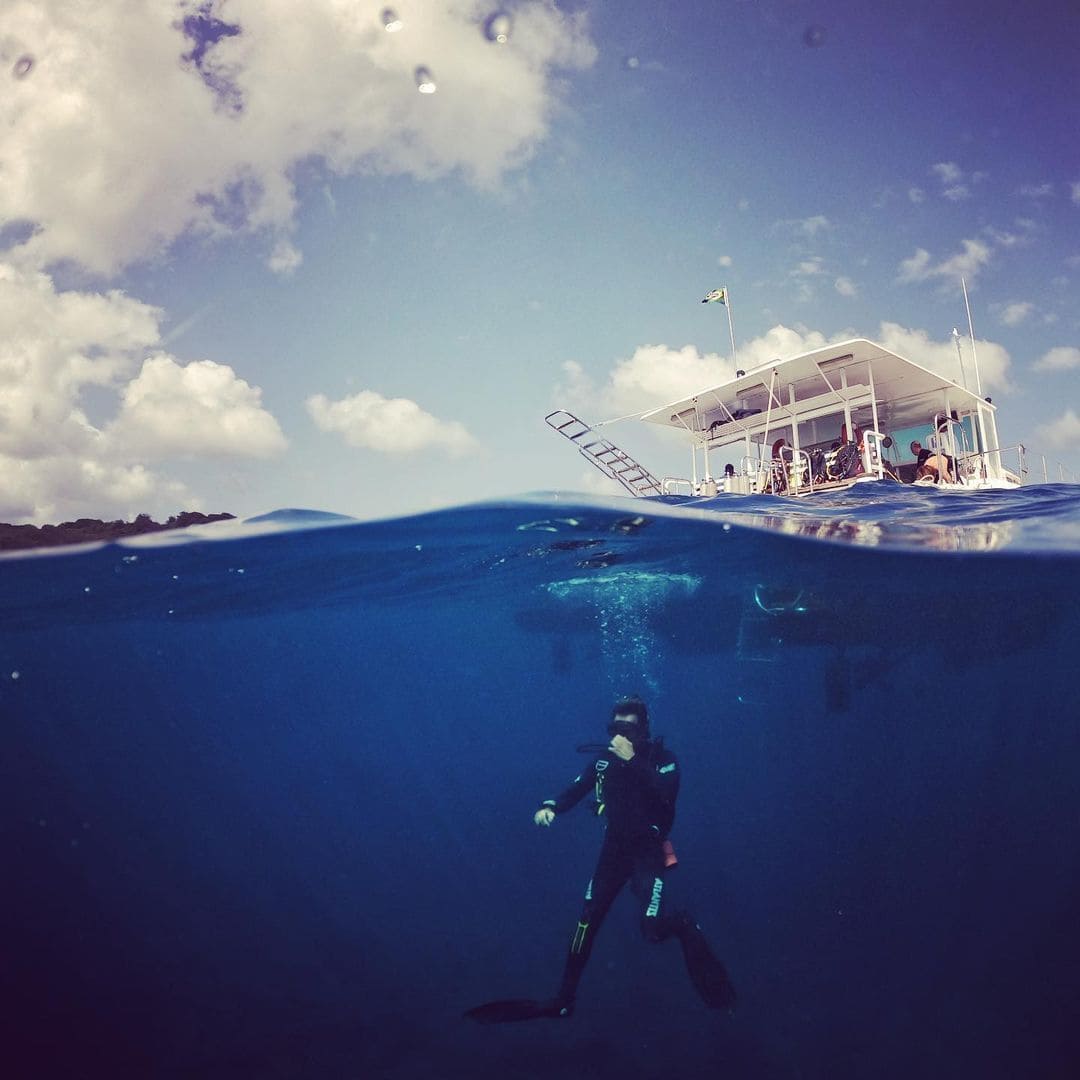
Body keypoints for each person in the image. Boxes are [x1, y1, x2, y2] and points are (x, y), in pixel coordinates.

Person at [466, 698, 736, 1023]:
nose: (621, 735)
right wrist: (550, 806)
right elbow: (577, 788)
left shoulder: (664, 760)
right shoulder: (604, 763)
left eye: (629, 728)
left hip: (648, 853)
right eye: (616, 728)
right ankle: (564, 998)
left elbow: (667, 793)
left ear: (643, 730)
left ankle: (682, 924)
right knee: (586, 921)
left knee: (651, 930)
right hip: (614, 851)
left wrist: (633, 759)